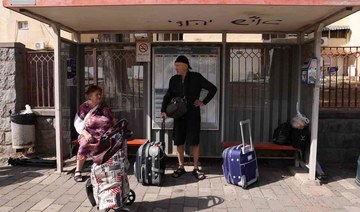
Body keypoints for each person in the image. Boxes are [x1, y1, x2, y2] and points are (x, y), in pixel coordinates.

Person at [161, 55, 217, 180]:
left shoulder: (196, 77)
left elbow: (213, 89)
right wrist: (163, 110)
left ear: (185, 66)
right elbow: (167, 96)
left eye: (178, 65)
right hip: (178, 115)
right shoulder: (173, 79)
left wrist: (203, 101)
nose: (176, 68)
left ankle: (196, 168)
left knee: (195, 142)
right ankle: (181, 167)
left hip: (193, 114)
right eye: (175, 65)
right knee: (179, 141)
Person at [73, 85, 116, 182]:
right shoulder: (84, 107)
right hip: (88, 134)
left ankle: (104, 168)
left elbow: (113, 120)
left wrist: (113, 131)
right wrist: (87, 135)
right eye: (97, 94)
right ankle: (78, 171)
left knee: (111, 143)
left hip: (104, 134)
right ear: (90, 96)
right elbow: (78, 123)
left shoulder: (104, 107)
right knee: (84, 145)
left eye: (100, 94)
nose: (100, 96)